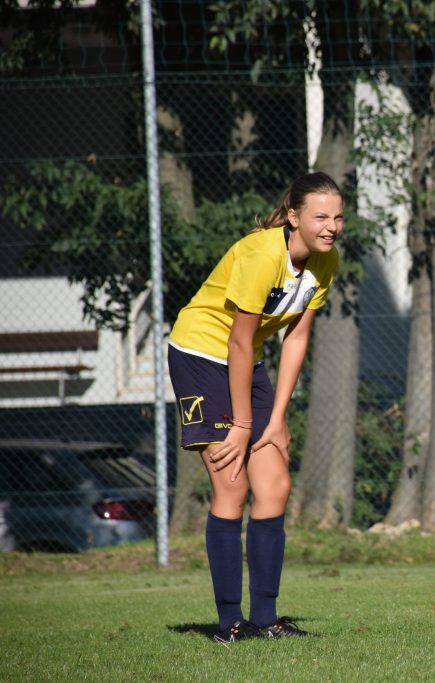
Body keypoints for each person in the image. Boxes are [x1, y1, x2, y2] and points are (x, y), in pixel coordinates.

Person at [167, 172, 343, 643]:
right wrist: (243, 424)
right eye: (320, 216)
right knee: (232, 486)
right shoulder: (262, 254)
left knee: (276, 486)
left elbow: (297, 337)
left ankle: (266, 619)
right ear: (294, 217)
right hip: (202, 356)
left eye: (338, 217)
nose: (331, 226)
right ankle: (229, 624)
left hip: (249, 364)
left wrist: (278, 416)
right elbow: (238, 339)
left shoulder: (325, 263)